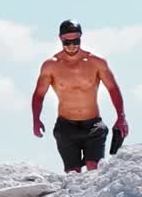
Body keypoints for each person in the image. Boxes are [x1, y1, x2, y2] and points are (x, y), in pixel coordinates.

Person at [31, 20, 128, 173]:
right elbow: (39, 94)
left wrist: (121, 117)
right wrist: (36, 119)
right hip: (65, 126)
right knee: (73, 174)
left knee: (93, 168)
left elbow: (113, 89)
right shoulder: (51, 65)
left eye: (75, 41)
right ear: (61, 39)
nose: (71, 45)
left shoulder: (96, 63)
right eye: (67, 42)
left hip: (93, 125)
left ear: (81, 38)